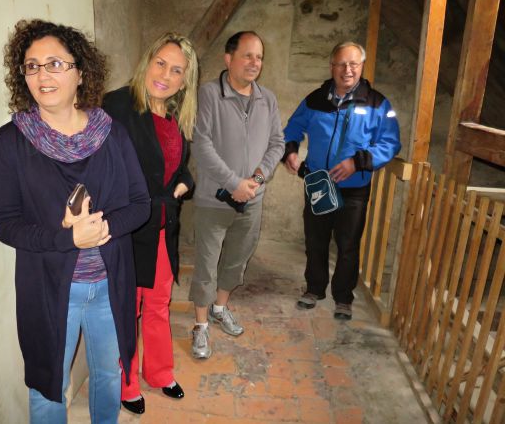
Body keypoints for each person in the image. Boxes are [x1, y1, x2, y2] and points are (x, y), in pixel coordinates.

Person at [0, 19, 150, 424]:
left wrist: (102, 229)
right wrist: (68, 238)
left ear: (80, 72)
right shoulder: (10, 142)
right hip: (47, 288)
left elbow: (140, 204)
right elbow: (5, 223)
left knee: (108, 374)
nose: (43, 75)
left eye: (56, 64)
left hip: (109, 285)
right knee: (48, 387)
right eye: (32, 66)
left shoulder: (111, 134)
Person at [102, 32, 198, 415]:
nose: (165, 75)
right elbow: (102, 169)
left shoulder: (173, 115)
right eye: (161, 63)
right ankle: (126, 383)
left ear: (185, 80)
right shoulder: (117, 105)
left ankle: (159, 373)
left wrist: (185, 183)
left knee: (159, 302)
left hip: (161, 226)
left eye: (176, 70)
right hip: (128, 228)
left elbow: (176, 168)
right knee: (129, 306)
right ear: (147, 61)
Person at [282, 41, 401, 320]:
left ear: (362, 67)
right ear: (332, 66)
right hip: (319, 184)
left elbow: (391, 142)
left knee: (348, 246)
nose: (347, 70)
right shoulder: (314, 100)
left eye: (353, 64)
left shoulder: (378, 103)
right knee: (315, 240)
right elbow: (293, 126)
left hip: (354, 189)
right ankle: (314, 289)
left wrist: (357, 162)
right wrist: (290, 150)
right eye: (341, 64)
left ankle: (343, 298)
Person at [189, 31, 284, 359]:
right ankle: (200, 324)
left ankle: (220, 308)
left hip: (252, 198)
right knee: (206, 263)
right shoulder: (209, 94)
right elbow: (201, 144)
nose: (255, 62)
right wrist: (233, 183)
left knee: (237, 258)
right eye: (247, 55)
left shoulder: (267, 99)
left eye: (259, 57)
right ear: (228, 59)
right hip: (214, 198)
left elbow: (277, 143)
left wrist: (255, 180)